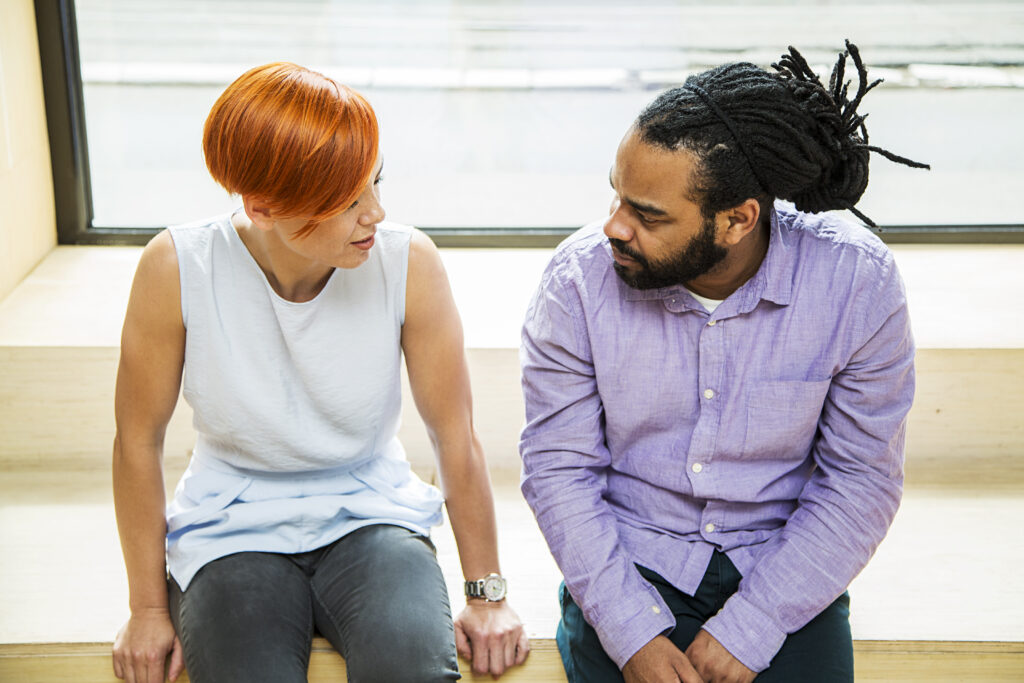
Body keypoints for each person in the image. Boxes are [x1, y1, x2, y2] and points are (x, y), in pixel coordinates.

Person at [519, 41, 927, 683]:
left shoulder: (856, 282)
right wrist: (631, 635)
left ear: (737, 221)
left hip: (782, 565)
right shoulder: (577, 283)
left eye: (647, 215)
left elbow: (860, 481)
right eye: (617, 198)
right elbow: (558, 469)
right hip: (629, 562)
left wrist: (754, 625)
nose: (613, 228)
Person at [111, 62, 528, 683]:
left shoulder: (408, 261)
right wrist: (146, 608)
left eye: (375, 184)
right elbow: (137, 441)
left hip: (372, 512)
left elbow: (454, 433)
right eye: (346, 202)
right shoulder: (177, 267)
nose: (376, 214)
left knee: (411, 668)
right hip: (231, 524)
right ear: (264, 206)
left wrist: (487, 594)